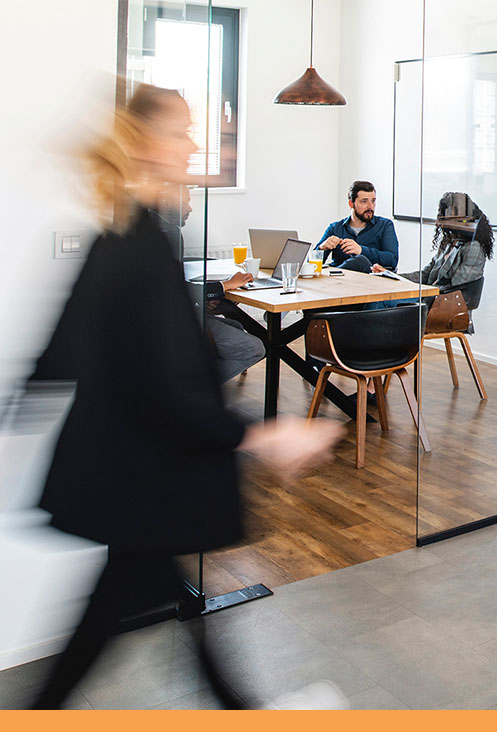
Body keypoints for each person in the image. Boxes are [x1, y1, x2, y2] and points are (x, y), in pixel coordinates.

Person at [27, 83, 342, 709]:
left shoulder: (131, 231)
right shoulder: (138, 243)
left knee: (131, 615)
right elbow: (162, 386)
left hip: (131, 474)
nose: (193, 143)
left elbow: (67, 344)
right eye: (181, 131)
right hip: (140, 475)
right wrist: (262, 435)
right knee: (125, 618)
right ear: (145, 143)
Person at [155, 186, 266, 383]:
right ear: (166, 203)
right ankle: (193, 388)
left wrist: (204, 296)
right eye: (185, 202)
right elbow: (172, 290)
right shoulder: (168, 234)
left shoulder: (155, 230)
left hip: (169, 320)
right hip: (174, 325)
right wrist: (223, 286)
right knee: (255, 348)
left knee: (236, 325)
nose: (190, 208)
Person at [316, 180, 398, 273]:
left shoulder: (385, 225)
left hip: (369, 278)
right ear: (351, 203)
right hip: (339, 279)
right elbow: (311, 264)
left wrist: (361, 250)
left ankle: (335, 274)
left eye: (373, 201)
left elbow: (392, 260)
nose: (370, 206)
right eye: (364, 201)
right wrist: (322, 248)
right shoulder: (335, 228)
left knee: (360, 260)